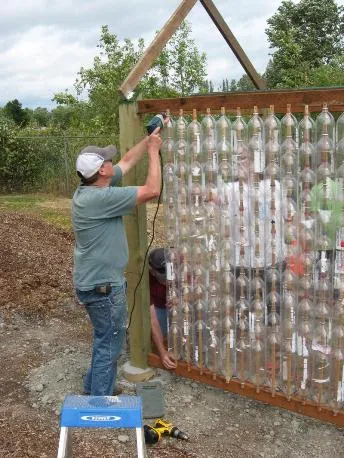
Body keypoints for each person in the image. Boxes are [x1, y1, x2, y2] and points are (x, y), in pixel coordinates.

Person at [72, 124, 162, 396]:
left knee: (104, 338)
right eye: (107, 160)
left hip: (94, 282)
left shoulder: (91, 189)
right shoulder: (101, 198)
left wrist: (149, 141)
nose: (113, 161)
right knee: (110, 341)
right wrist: (155, 153)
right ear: (101, 171)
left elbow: (127, 161)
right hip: (103, 287)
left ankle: (93, 385)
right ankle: (100, 400)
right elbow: (152, 190)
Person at [148, 248, 177, 370]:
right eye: (164, 278)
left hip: (178, 308)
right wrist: (162, 352)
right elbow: (152, 319)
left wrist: (183, 298)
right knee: (154, 336)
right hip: (159, 309)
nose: (168, 281)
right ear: (153, 272)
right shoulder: (145, 281)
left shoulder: (181, 265)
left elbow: (199, 292)